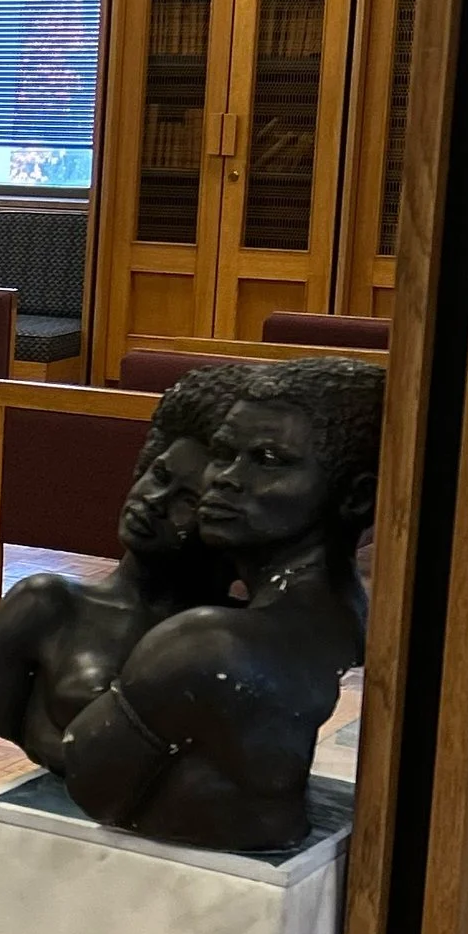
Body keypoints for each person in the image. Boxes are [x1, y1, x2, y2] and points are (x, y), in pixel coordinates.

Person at [60, 359, 383, 852]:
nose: (226, 479)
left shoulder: (207, 648)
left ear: (358, 497)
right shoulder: (348, 611)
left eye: (270, 459)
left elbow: (89, 781)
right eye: (225, 452)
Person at [0, 366, 244, 773]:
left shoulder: (240, 638)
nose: (154, 500)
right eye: (158, 475)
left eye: (187, 499)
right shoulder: (46, 605)